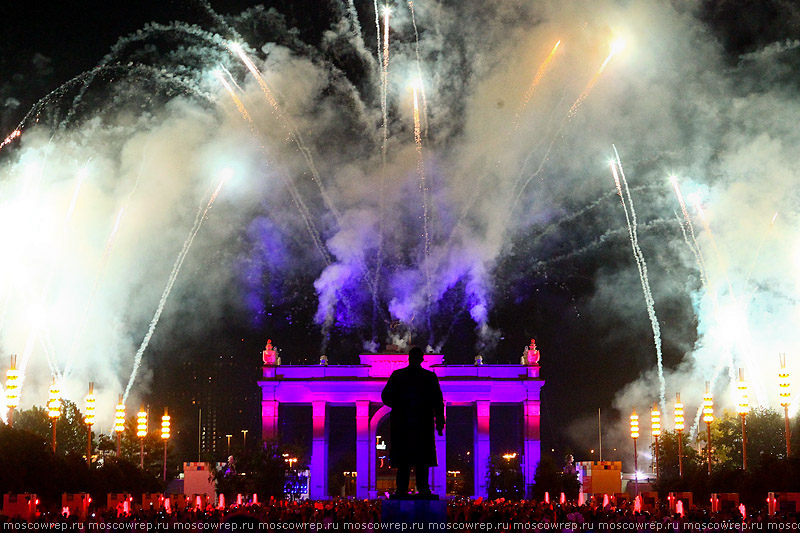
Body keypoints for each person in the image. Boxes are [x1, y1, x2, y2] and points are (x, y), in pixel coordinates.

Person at [381, 346, 445, 497]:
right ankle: (423, 489)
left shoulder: (398, 375)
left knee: (404, 460)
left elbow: (385, 397)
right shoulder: (429, 377)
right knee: (422, 459)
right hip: (423, 424)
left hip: (403, 424)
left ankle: (402, 490)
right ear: (422, 359)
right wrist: (440, 423)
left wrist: (399, 406)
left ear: (409, 358)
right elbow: (438, 401)